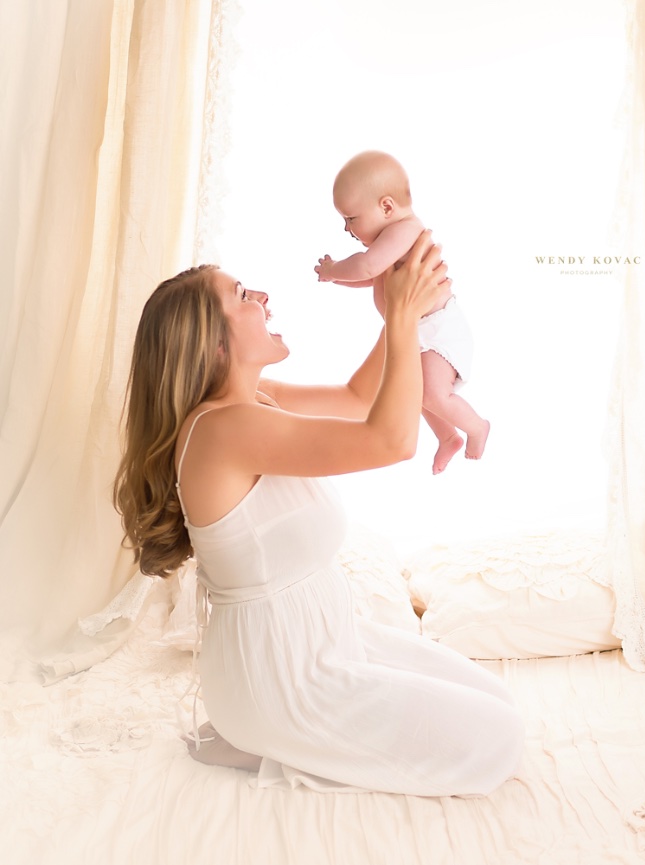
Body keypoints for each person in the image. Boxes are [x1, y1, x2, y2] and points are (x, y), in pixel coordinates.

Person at [113, 232, 524, 796]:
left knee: (497, 703)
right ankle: (268, 733)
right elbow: (390, 440)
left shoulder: (255, 402)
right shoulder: (223, 431)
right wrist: (403, 317)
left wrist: (402, 307)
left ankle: (273, 733)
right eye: (241, 296)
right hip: (284, 679)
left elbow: (359, 398)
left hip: (328, 643)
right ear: (213, 345)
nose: (261, 296)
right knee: (497, 739)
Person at [315, 150, 490, 474]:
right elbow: (372, 276)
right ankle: (448, 436)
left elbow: (366, 266)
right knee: (419, 392)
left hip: (439, 328)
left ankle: (477, 426)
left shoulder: (405, 230)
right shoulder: (387, 245)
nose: (346, 228)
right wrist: (339, 280)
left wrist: (333, 269)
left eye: (351, 218)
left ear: (386, 207)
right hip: (419, 329)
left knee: (434, 394)